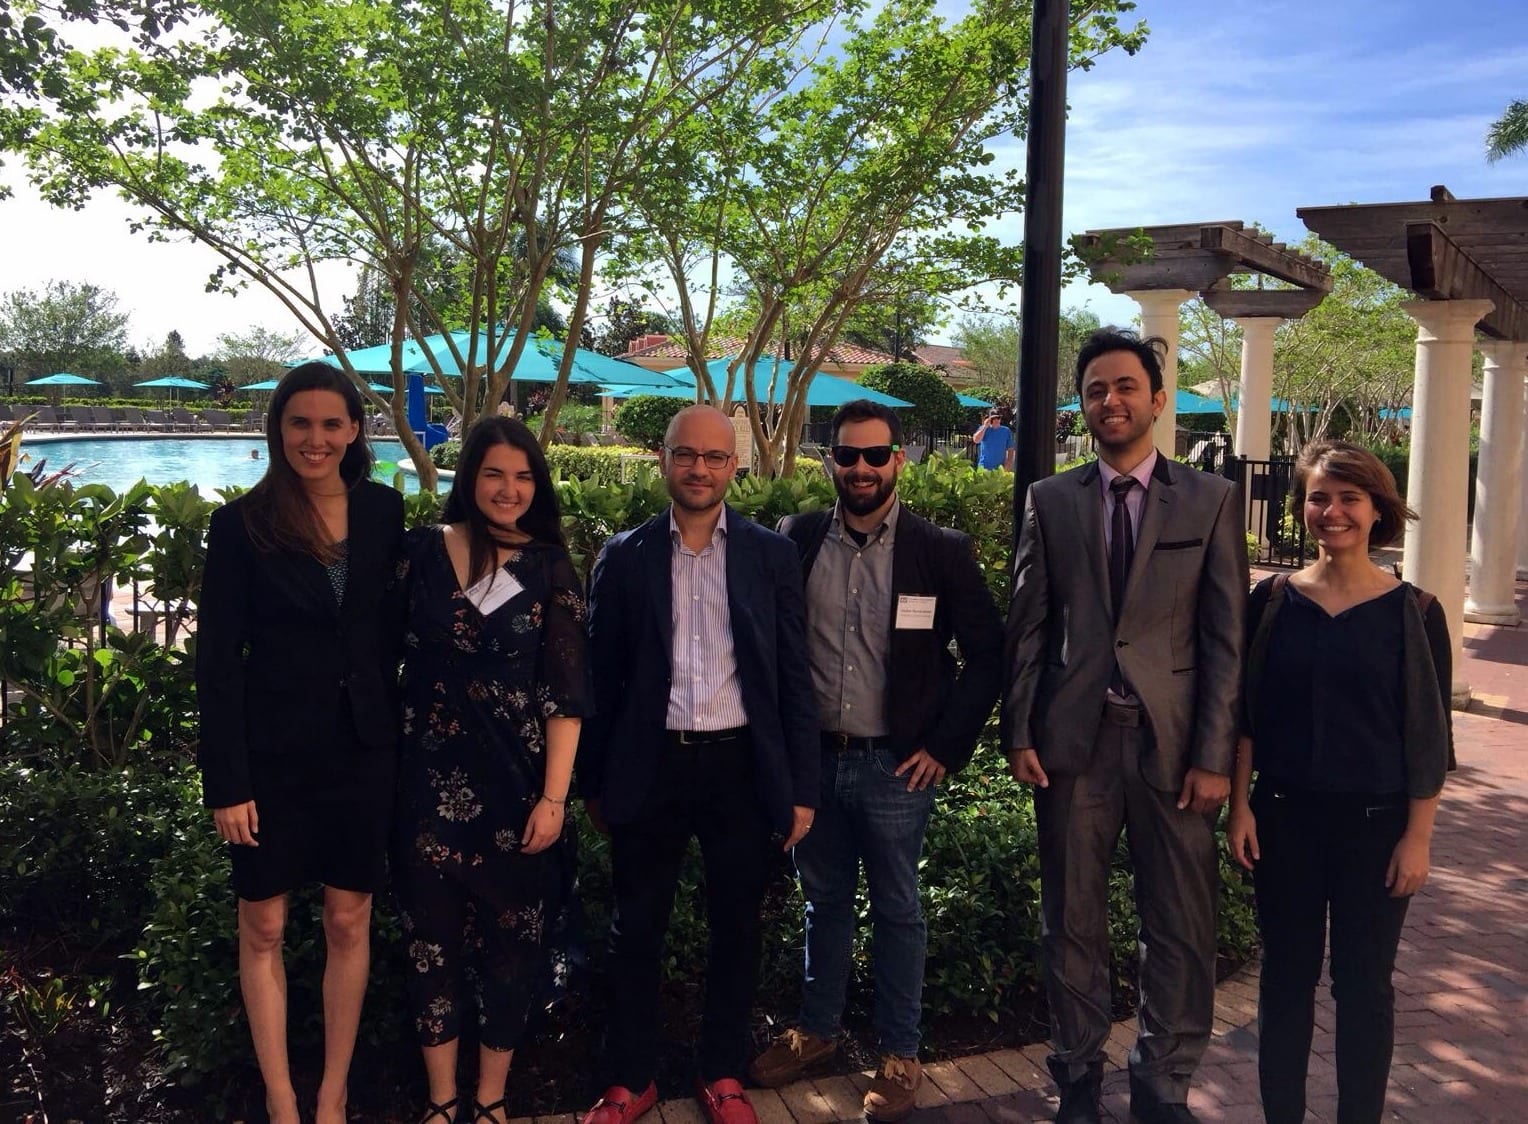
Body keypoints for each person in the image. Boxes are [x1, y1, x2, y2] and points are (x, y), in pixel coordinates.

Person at [1002, 328, 1247, 1124]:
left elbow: (1224, 640)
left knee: (1179, 922)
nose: (1111, 401)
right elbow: (1029, 624)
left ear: (1156, 397)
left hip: (1172, 748)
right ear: (1083, 404)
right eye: (1097, 390)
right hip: (1075, 744)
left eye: (1125, 387)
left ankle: (1163, 1081)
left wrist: (1214, 755)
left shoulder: (1210, 501)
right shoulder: (1049, 499)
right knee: (1070, 920)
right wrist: (1019, 730)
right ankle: (1076, 1077)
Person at [751, 400, 1004, 1120]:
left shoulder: (939, 550)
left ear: (899, 460)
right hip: (814, 765)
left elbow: (989, 657)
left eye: (875, 455)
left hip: (896, 766)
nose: (860, 468)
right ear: (829, 461)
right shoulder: (793, 539)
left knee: (898, 909)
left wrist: (946, 748)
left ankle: (899, 1052)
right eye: (847, 456)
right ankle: (818, 1031)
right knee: (822, 903)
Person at [579, 404, 819, 1124]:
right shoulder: (623, 556)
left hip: (740, 769)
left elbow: (793, 675)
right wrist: (595, 779)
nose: (700, 469)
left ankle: (721, 1072)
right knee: (636, 929)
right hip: (650, 768)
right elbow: (600, 676)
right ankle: (632, 1078)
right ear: (663, 459)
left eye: (715, 458)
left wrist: (801, 786)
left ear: (733, 468)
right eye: (688, 455)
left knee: (737, 928)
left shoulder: (769, 555)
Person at [196, 361, 405, 1124]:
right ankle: (282, 1100)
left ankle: (332, 1094)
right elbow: (216, 664)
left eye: (331, 424)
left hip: (363, 753)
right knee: (266, 924)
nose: (315, 440)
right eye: (300, 423)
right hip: (271, 760)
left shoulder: (384, 512)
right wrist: (226, 782)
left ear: (354, 432)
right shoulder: (242, 525)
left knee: (349, 920)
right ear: (278, 428)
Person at [1228, 441, 1450, 1124]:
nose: (1333, 511)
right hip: (1285, 819)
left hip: (1377, 829)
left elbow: (1430, 737)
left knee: (1364, 988)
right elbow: (1245, 717)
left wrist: (1418, 837)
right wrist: (1240, 806)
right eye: (1320, 497)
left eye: (1349, 498)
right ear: (1303, 507)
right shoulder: (1269, 602)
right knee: (1286, 984)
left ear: (1377, 509)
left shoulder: (1415, 611)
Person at [394, 416, 588, 1124]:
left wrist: (554, 799)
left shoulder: (548, 567)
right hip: (422, 786)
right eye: (495, 473)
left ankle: (491, 1100)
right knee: (429, 945)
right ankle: (443, 1102)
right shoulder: (421, 553)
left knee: (512, 949)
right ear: (469, 477)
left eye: (523, 476)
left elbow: (565, 696)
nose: (509, 489)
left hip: (515, 791)